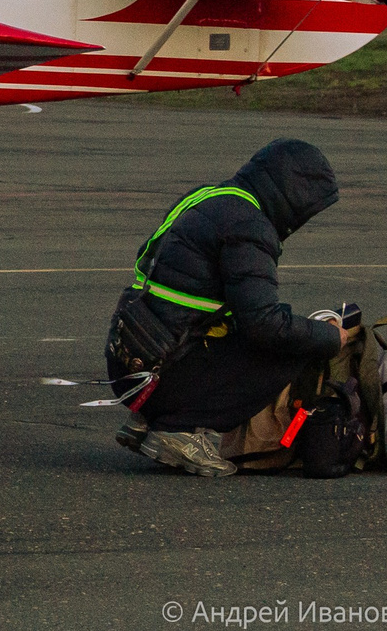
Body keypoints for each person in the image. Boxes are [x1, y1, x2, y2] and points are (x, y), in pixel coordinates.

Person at [108, 138, 354, 477]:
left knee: (249, 325)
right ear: (291, 193)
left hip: (129, 360)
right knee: (293, 347)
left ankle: (147, 417)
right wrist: (329, 336)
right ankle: (178, 428)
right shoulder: (248, 226)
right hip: (161, 371)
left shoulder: (207, 197)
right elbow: (266, 326)